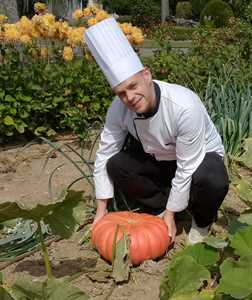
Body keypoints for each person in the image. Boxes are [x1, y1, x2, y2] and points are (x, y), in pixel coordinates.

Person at [84, 17, 229, 245]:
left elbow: (187, 166)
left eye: (133, 86)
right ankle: (165, 205)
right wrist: (101, 209)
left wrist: (170, 216)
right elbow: (105, 153)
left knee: (212, 180)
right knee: (117, 165)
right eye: (121, 92)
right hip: (159, 157)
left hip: (200, 158)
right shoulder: (118, 109)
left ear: (147, 75)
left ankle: (201, 221)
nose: (129, 98)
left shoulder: (184, 106)